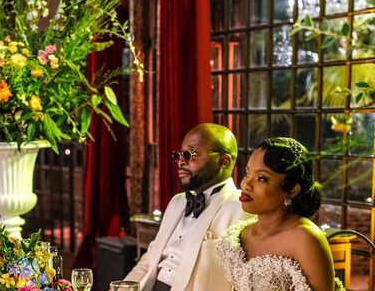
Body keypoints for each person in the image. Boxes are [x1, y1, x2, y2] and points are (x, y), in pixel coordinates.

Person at [123, 123, 251, 291]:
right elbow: (149, 260)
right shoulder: (177, 202)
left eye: (189, 154)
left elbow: (242, 282)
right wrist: (123, 288)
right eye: (179, 154)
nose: (180, 162)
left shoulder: (241, 208)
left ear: (223, 161)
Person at [215, 137, 344, 291]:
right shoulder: (240, 234)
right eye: (247, 173)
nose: (246, 185)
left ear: (292, 190)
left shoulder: (306, 238)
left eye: (261, 178)